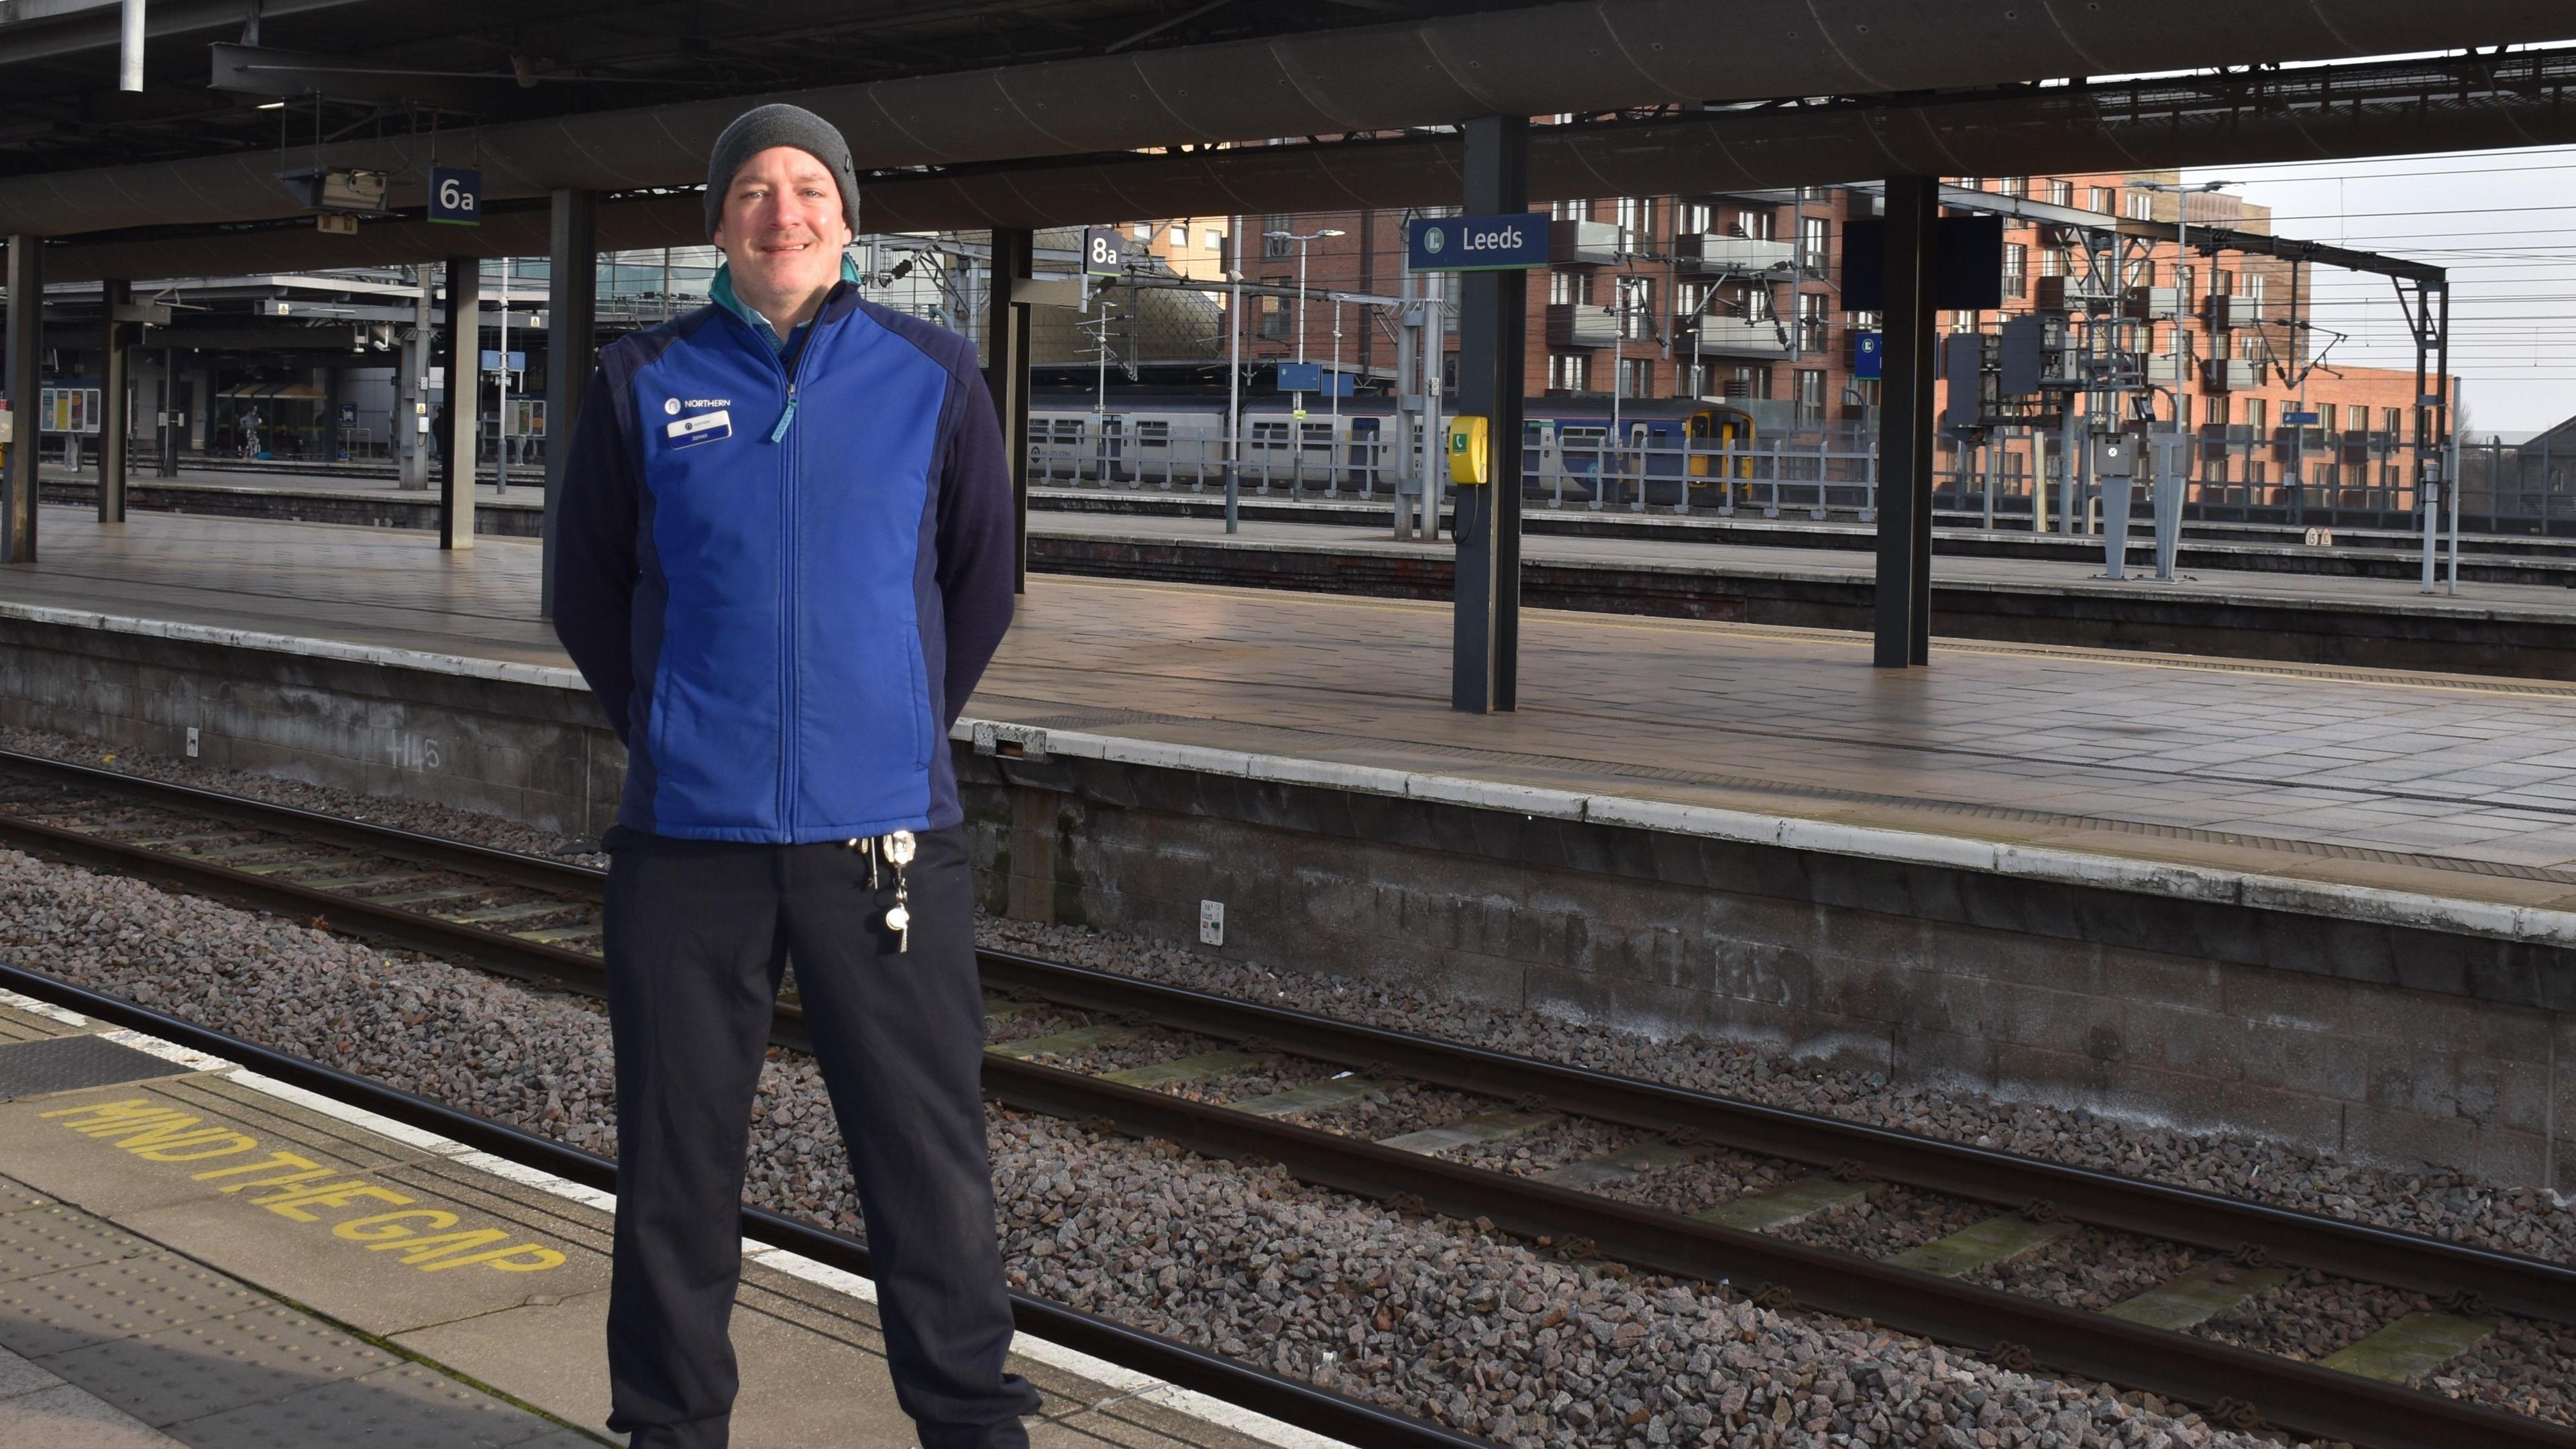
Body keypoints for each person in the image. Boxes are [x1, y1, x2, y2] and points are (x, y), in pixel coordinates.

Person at [551, 103, 1031, 1449]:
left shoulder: (934, 375)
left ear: (848, 218)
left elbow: (980, 581)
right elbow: (588, 589)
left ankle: (973, 1427)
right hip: (686, 842)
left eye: (808, 186)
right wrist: (673, 729)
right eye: (753, 188)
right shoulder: (639, 379)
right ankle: (670, 1429)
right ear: (718, 221)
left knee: (928, 1165)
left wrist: (888, 726)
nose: (782, 209)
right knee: (676, 1170)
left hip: (883, 839)